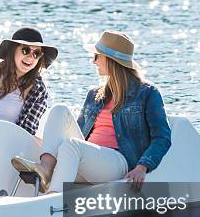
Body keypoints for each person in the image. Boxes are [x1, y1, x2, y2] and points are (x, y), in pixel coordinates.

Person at [11, 30, 171, 193]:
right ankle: (46, 168)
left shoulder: (147, 93)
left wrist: (142, 167)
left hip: (118, 162)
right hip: (86, 158)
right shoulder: (95, 94)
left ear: (110, 60)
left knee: (71, 146)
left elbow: (162, 137)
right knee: (60, 110)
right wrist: (48, 142)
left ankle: (54, 200)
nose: (93, 61)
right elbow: (79, 134)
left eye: (96, 56)